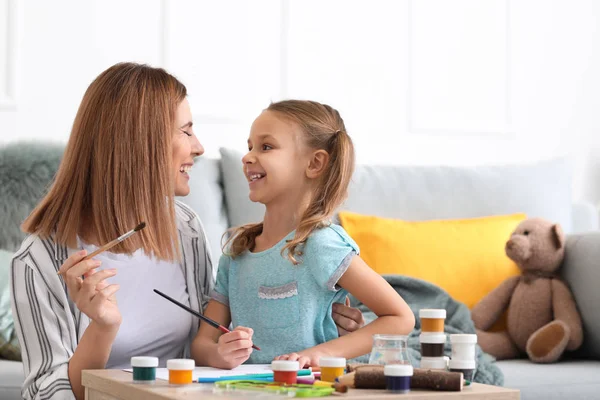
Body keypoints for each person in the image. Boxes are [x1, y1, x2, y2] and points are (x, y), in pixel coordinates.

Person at [9, 63, 364, 400]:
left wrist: (316, 319)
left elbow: (208, 339)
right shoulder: (40, 260)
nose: (199, 147)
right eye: (186, 130)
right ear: (139, 142)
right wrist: (102, 328)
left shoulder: (185, 228)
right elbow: (48, 394)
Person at [192, 100, 415, 369]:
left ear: (315, 163)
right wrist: (219, 354)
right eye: (249, 146)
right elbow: (202, 344)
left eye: (266, 146)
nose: (247, 156)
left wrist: (321, 354)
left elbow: (400, 317)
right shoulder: (236, 253)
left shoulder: (322, 245)